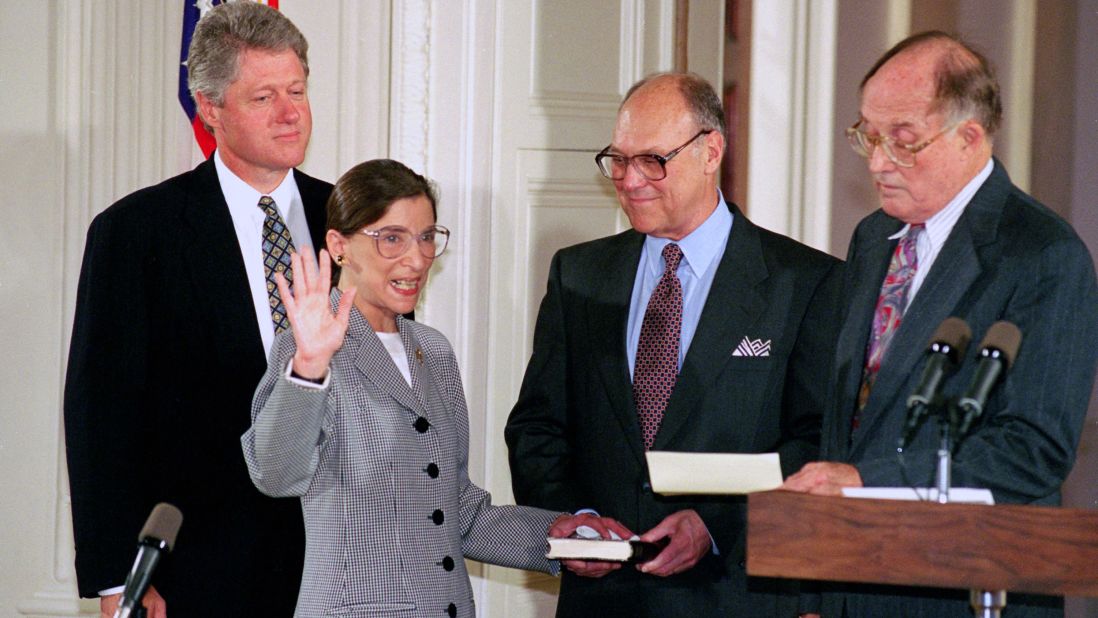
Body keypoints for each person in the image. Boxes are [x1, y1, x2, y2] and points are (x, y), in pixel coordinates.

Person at [783, 31, 1098, 617]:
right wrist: (814, 590)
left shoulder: (1042, 254)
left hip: (965, 592)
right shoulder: (874, 238)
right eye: (868, 136)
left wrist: (861, 478)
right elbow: (846, 418)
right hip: (854, 585)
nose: (878, 162)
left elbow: (1033, 449)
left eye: (902, 142)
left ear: (969, 137)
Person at [504, 72, 842, 617]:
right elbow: (537, 428)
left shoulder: (805, 284)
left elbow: (817, 443)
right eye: (618, 159)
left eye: (652, 161)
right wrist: (577, 519)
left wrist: (713, 526)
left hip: (734, 594)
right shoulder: (580, 275)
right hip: (602, 601)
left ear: (712, 152)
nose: (630, 179)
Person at [241, 159, 619, 618]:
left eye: (426, 237)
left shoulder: (432, 351)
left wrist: (559, 536)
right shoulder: (304, 349)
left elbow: (456, 511)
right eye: (392, 238)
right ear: (339, 246)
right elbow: (276, 475)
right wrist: (310, 364)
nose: (417, 258)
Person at [63, 3, 328, 616]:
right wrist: (118, 578)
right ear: (211, 109)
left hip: (338, 564)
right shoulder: (136, 232)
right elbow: (101, 416)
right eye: (264, 97)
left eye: (297, 90)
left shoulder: (351, 220)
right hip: (197, 571)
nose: (291, 113)